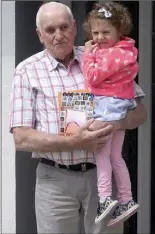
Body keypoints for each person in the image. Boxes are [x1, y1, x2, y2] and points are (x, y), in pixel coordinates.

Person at [9, 2, 146, 234]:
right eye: (50, 30)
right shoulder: (26, 71)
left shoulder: (101, 56)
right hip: (55, 182)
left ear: (74, 28)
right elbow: (22, 139)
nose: (59, 35)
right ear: (39, 34)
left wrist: (114, 123)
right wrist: (75, 142)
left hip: (100, 177)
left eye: (64, 27)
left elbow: (140, 113)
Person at [82, 2, 141, 227]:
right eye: (95, 32)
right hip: (120, 105)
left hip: (107, 107)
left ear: (120, 30)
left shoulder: (111, 55)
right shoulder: (126, 51)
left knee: (102, 156)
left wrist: (88, 56)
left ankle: (105, 199)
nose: (99, 38)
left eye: (106, 32)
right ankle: (126, 199)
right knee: (117, 157)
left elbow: (93, 78)